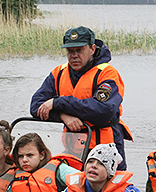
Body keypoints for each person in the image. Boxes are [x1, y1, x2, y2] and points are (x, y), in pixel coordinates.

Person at [30, 26, 133, 169]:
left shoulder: (107, 73)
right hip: (73, 149)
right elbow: (36, 106)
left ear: (92, 49)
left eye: (79, 50)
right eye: (70, 51)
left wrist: (59, 102)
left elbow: (103, 110)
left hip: (106, 149)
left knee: (111, 190)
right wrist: (63, 116)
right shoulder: (59, 73)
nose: (74, 55)